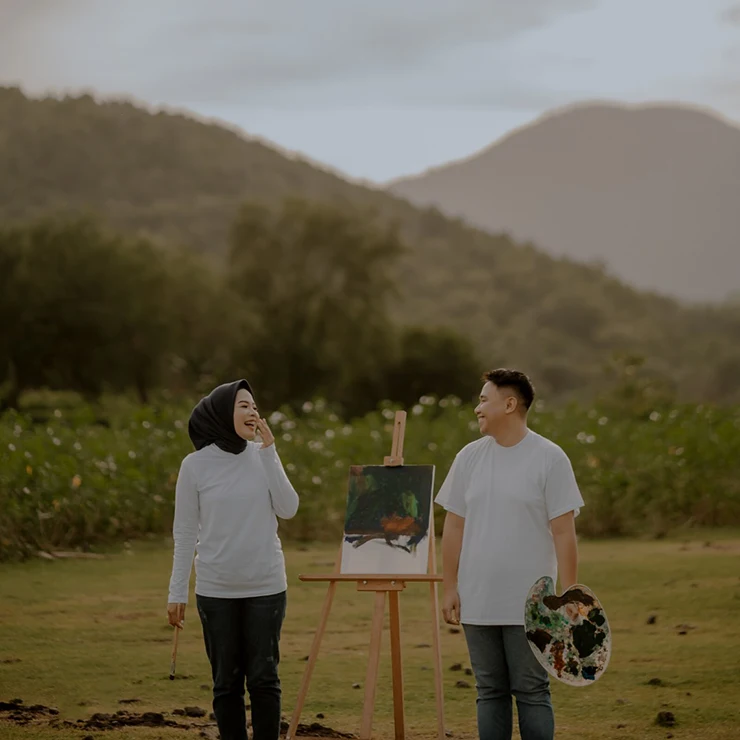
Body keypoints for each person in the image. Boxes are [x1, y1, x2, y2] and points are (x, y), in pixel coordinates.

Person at [436, 369, 584, 740]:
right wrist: (450, 585)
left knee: (532, 691)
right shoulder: (469, 458)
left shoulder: (550, 458)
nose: (477, 408)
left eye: (484, 400)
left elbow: (565, 532)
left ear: (510, 404)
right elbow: (453, 527)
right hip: (477, 597)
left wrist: (569, 597)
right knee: (489, 692)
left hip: (533, 601)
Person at [167, 379, 299, 740]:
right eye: (244, 405)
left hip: (266, 587)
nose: (253, 412)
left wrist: (270, 451)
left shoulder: (262, 457)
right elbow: (184, 534)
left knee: (264, 678)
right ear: (222, 413)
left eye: (255, 406)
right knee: (226, 682)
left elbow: (289, 509)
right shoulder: (195, 466)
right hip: (216, 589)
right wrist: (176, 592)